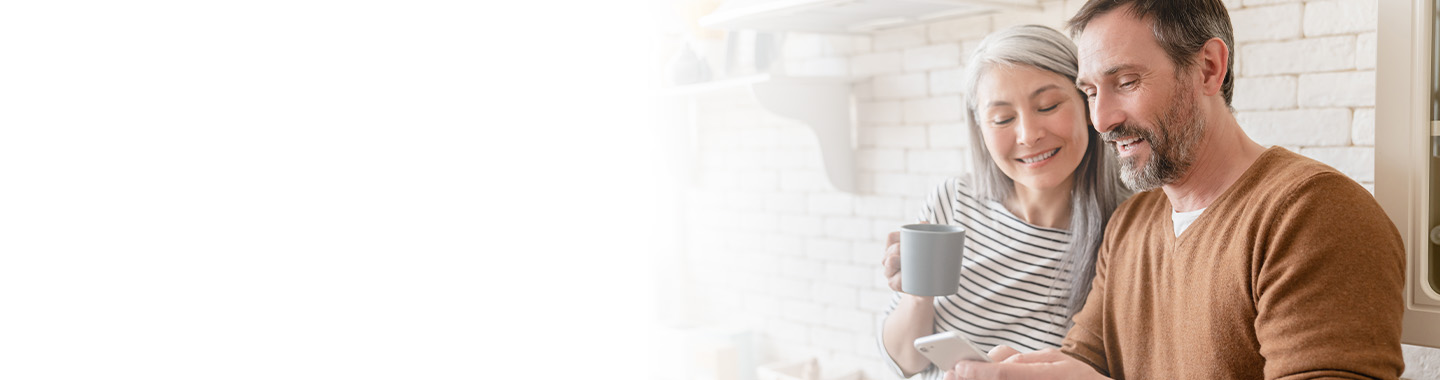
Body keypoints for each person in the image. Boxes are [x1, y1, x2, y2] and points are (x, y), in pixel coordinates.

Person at [944, 1, 1407, 379]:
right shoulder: (1130, 224)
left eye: (1125, 82)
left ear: (1209, 68)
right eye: (1089, 91)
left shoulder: (1312, 213)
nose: (1101, 119)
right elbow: (1084, 361)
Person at [876, 24, 1129, 380]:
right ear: (980, 129)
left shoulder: (1127, 230)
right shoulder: (954, 201)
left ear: (1087, 103)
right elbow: (905, 361)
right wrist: (917, 294)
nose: (1028, 135)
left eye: (1048, 106)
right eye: (1003, 119)